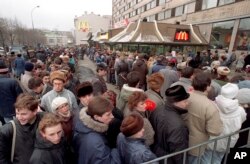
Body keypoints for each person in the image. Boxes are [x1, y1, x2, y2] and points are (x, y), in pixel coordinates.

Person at [186, 72, 223, 164]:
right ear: (207, 86)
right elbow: (215, 131)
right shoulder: (210, 106)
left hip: (181, 141)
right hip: (196, 145)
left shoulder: (184, 97)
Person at [205, 83, 246, 164]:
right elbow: (242, 120)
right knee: (218, 160)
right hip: (227, 142)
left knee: (206, 159)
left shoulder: (212, 104)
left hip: (211, 139)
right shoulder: (240, 110)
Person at [72, 96, 121, 164]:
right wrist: (115, 150)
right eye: (108, 114)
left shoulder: (82, 123)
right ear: (96, 117)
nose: (112, 116)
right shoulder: (97, 143)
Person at [151, 85, 189, 164]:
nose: (187, 103)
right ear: (176, 102)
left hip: (156, 153)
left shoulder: (157, 110)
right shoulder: (178, 126)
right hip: (168, 159)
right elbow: (179, 152)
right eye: (185, 101)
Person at [0, 93, 43, 164]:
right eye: (17, 113)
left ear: (35, 111)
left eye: (23, 114)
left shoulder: (45, 119)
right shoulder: (7, 130)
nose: (19, 117)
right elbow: (2, 158)